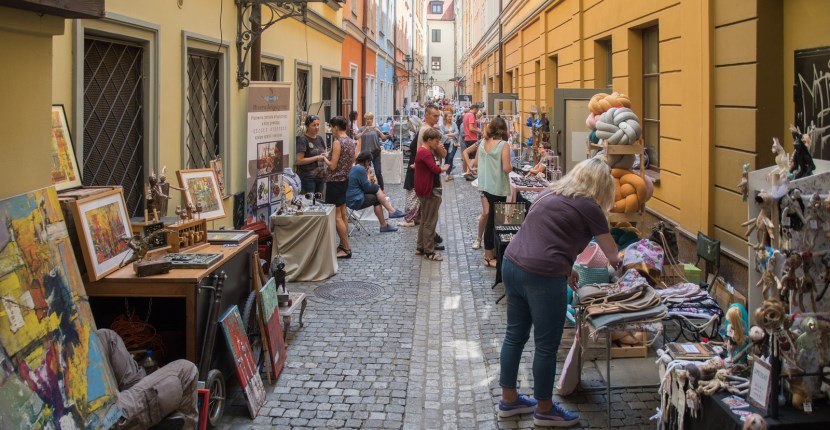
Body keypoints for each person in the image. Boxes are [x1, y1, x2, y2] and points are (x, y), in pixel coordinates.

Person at [497, 156, 621, 427]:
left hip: (512, 263)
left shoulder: (549, 191)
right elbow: (613, 255)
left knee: (514, 336)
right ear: (602, 187)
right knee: (546, 346)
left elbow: (544, 233)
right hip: (542, 275)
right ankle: (545, 410)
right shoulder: (590, 206)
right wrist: (637, 264)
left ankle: (509, 400)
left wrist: (567, 267)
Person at [98, 328, 198, 430]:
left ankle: (145, 406)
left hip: (106, 400)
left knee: (105, 336)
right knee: (187, 370)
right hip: (106, 417)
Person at [469, 116, 512, 267]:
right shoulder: (503, 145)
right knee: (494, 222)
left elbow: (475, 163)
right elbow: (506, 168)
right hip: (497, 186)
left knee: (492, 219)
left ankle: (491, 252)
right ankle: (488, 255)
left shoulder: (483, 143)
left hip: (485, 185)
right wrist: (512, 167)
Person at [324, 116, 357, 259]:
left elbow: (332, 165)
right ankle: (344, 245)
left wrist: (324, 158)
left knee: (337, 217)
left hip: (334, 181)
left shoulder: (338, 142)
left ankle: (346, 248)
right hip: (344, 180)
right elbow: (350, 161)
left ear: (336, 127)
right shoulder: (350, 141)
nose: (331, 130)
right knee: (343, 214)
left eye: (331, 127)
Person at [347, 151, 405, 232]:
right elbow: (367, 187)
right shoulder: (360, 169)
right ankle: (388, 217)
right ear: (366, 161)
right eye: (369, 162)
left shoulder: (354, 167)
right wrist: (367, 173)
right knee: (376, 193)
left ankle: (389, 216)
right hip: (355, 200)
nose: (369, 164)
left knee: (375, 193)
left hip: (349, 198)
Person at [414, 127, 449, 261]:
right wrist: (443, 168)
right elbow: (434, 169)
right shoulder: (426, 153)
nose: (437, 143)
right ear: (429, 140)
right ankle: (429, 251)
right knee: (430, 221)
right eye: (436, 141)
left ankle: (420, 246)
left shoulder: (423, 151)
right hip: (428, 190)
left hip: (423, 189)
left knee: (424, 220)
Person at [295, 115, 328, 194]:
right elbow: (299, 160)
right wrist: (317, 158)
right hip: (308, 178)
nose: (316, 127)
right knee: (310, 202)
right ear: (307, 126)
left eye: (318, 124)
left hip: (320, 176)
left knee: (319, 201)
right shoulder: (303, 139)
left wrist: (325, 155)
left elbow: (324, 152)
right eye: (313, 125)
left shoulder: (320, 138)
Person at [356, 112, 387, 190]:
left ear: (372, 119)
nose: (369, 120)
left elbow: (384, 138)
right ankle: (366, 188)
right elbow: (356, 137)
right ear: (365, 119)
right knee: (365, 172)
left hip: (376, 152)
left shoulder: (376, 128)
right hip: (366, 154)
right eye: (367, 119)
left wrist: (379, 131)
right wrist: (364, 131)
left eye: (370, 119)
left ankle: (381, 190)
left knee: (378, 172)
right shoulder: (362, 128)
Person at [440, 111, 460, 181]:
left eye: (451, 116)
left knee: (450, 157)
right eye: (448, 116)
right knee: (447, 158)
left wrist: (448, 135)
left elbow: (457, 132)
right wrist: (451, 135)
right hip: (445, 144)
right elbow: (441, 135)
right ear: (445, 117)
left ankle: (448, 174)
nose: (450, 118)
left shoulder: (454, 124)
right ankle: (448, 173)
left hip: (454, 143)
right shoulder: (442, 125)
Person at [461, 104, 481, 176]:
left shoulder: (466, 115)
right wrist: (479, 131)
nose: (478, 111)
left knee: (469, 156)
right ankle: (469, 172)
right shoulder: (472, 115)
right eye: (478, 110)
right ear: (475, 109)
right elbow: (471, 128)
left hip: (467, 137)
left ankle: (467, 171)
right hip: (472, 138)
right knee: (473, 157)